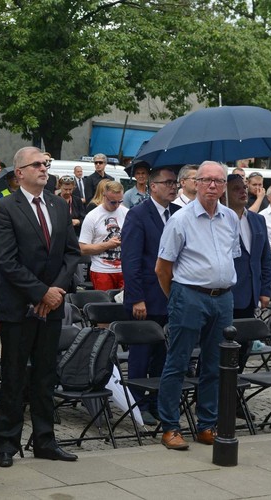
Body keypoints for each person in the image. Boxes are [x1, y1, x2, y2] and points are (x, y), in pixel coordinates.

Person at [0, 146, 80, 467]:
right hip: (19, 307)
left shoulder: (58, 204)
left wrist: (55, 291)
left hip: (52, 305)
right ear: (20, 173)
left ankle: (45, 440)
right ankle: (6, 444)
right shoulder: (4, 208)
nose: (44, 168)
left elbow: (72, 253)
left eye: (46, 163)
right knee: (14, 377)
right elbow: (7, 260)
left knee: (45, 376)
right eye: (37, 164)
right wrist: (41, 293)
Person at [155, 161, 240, 450]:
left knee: (215, 365)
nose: (213, 185)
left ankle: (206, 425)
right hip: (189, 295)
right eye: (207, 180)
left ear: (224, 185)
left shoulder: (230, 218)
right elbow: (162, 268)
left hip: (223, 298)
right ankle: (170, 427)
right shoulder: (181, 219)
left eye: (219, 181)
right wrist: (177, 298)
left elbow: (231, 256)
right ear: (195, 183)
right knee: (178, 362)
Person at [120, 168, 179, 425]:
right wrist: (136, 298)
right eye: (167, 183)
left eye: (175, 183)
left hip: (173, 296)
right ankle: (137, 403)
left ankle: (157, 402)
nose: (173, 187)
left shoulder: (178, 214)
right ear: (152, 186)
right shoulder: (138, 214)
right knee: (141, 355)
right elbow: (131, 260)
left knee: (164, 354)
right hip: (146, 296)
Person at [224, 174, 271, 376]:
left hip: (250, 294)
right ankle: (212, 397)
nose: (243, 191)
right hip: (225, 293)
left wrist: (265, 289)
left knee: (244, 347)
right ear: (224, 193)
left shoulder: (257, 220)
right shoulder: (219, 219)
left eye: (244, 187)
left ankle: (235, 393)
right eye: (236, 188)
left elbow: (264, 257)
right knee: (221, 349)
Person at [79, 180, 128, 290]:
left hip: (124, 269)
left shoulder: (127, 213)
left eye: (119, 201)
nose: (116, 205)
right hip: (102, 270)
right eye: (113, 202)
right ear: (104, 196)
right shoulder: (92, 216)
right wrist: (107, 245)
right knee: (105, 306)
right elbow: (82, 248)